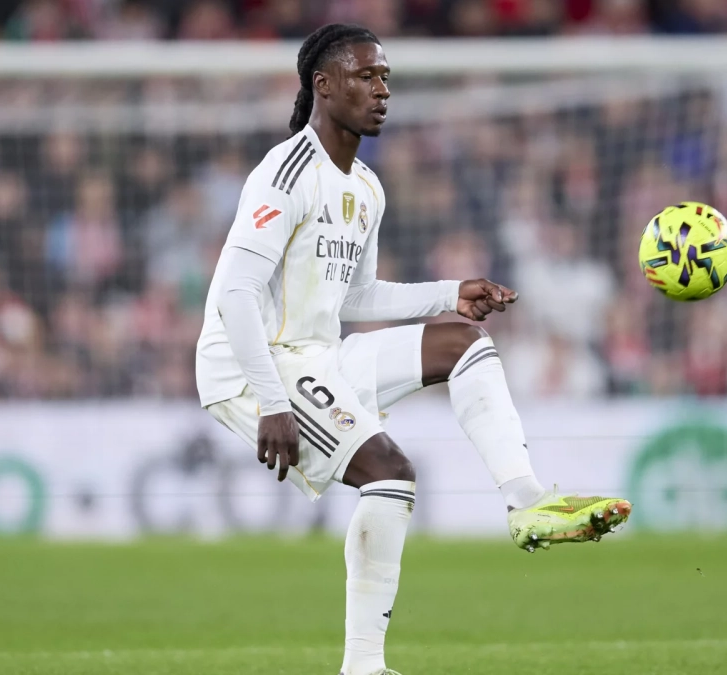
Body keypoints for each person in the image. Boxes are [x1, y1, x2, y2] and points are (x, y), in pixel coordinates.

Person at [195, 24, 631, 675]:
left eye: (386, 78)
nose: (382, 91)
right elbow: (234, 295)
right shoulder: (286, 172)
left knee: (465, 342)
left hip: (317, 352)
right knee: (389, 470)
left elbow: (356, 299)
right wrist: (270, 402)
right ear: (323, 84)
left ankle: (528, 501)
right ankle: (363, 666)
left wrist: (452, 293)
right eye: (366, 76)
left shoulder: (366, 187)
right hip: (248, 366)